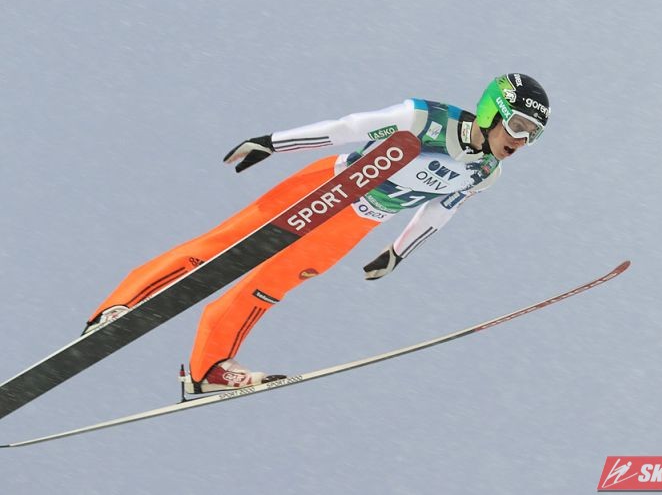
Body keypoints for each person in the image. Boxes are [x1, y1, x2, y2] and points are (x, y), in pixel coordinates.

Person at [83, 73, 551, 394]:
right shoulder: (426, 119)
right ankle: (120, 306)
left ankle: (210, 369)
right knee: (225, 245)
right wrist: (272, 143)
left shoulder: (485, 173)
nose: (521, 141)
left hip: (359, 221)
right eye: (518, 126)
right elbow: (346, 130)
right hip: (328, 185)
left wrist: (397, 253)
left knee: (271, 286)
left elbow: (439, 211)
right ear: (492, 112)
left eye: (533, 135)